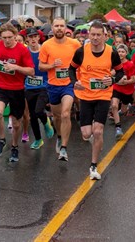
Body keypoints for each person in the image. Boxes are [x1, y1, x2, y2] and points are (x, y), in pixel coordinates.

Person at [70, 22, 125, 180]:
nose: (95, 38)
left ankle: (93, 166)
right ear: (89, 35)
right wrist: (75, 82)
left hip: (103, 95)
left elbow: (121, 72)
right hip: (86, 96)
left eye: (98, 35)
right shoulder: (81, 51)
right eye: (92, 34)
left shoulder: (111, 52)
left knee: (98, 130)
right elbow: (71, 69)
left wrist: (112, 79)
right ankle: (96, 141)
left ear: (104, 36)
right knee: (87, 134)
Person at [0, 23, 34, 162]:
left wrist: (16, 67)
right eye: (4, 37)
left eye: (10, 37)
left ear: (15, 36)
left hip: (17, 89)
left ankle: (14, 146)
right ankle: (1, 140)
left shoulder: (22, 50)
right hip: (0, 86)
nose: (7, 40)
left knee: (16, 124)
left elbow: (31, 71)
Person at [39, 18, 82, 161]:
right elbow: (40, 66)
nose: (59, 28)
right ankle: (59, 136)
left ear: (65, 29)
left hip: (68, 84)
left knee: (65, 114)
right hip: (53, 85)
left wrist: (80, 78)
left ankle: (64, 147)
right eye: (56, 26)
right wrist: (52, 66)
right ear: (52, 28)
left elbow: (82, 62)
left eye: (61, 26)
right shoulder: (46, 45)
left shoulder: (75, 44)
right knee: (57, 117)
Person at [24, 27, 54, 150]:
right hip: (29, 86)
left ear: (38, 37)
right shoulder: (25, 51)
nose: (33, 39)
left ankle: (46, 122)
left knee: (38, 110)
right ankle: (38, 140)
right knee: (32, 115)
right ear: (27, 39)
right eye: (30, 37)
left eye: (35, 36)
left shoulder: (45, 50)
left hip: (44, 86)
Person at [111, 44, 135, 140]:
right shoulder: (114, 63)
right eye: (119, 51)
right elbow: (110, 74)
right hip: (117, 87)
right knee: (114, 105)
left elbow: (134, 79)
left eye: (123, 51)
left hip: (127, 90)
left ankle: (124, 110)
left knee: (123, 110)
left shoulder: (130, 64)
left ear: (126, 53)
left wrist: (126, 81)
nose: (120, 53)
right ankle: (118, 128)